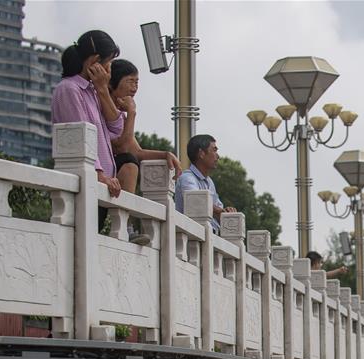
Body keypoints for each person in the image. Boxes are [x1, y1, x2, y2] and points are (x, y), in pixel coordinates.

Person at [107, 59, 183, 244]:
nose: (135, 87)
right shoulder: (106, 109)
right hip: (102, 175)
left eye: (137, 82)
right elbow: (123, 148)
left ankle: (126, 226)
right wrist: (132, 113)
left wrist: (165, 154)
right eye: (130, 81)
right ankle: (125, 227)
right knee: (129, 164)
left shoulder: (121, 113)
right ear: (112, 82)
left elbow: (137, 151)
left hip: (110, 179)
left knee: (131, 160)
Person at [51, 30, 123, 204]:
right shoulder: (69, 89)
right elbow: (79, 138)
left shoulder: (93, 91)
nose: (110, 69)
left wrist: (103, 90)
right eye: (109, 62)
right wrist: (100, 176)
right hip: (85, 186)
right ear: (94, 61)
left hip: (98, 188)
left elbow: (116, 129)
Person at [174, 134, 236, 233]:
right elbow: (196, 202)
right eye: (214, 150)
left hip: (208, 236)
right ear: (201, 154)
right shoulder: (187, 178)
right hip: (191, 237)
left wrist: (227, 213)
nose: (218, 156)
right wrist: (219, 211)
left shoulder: (209, 182)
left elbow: (219, 212)